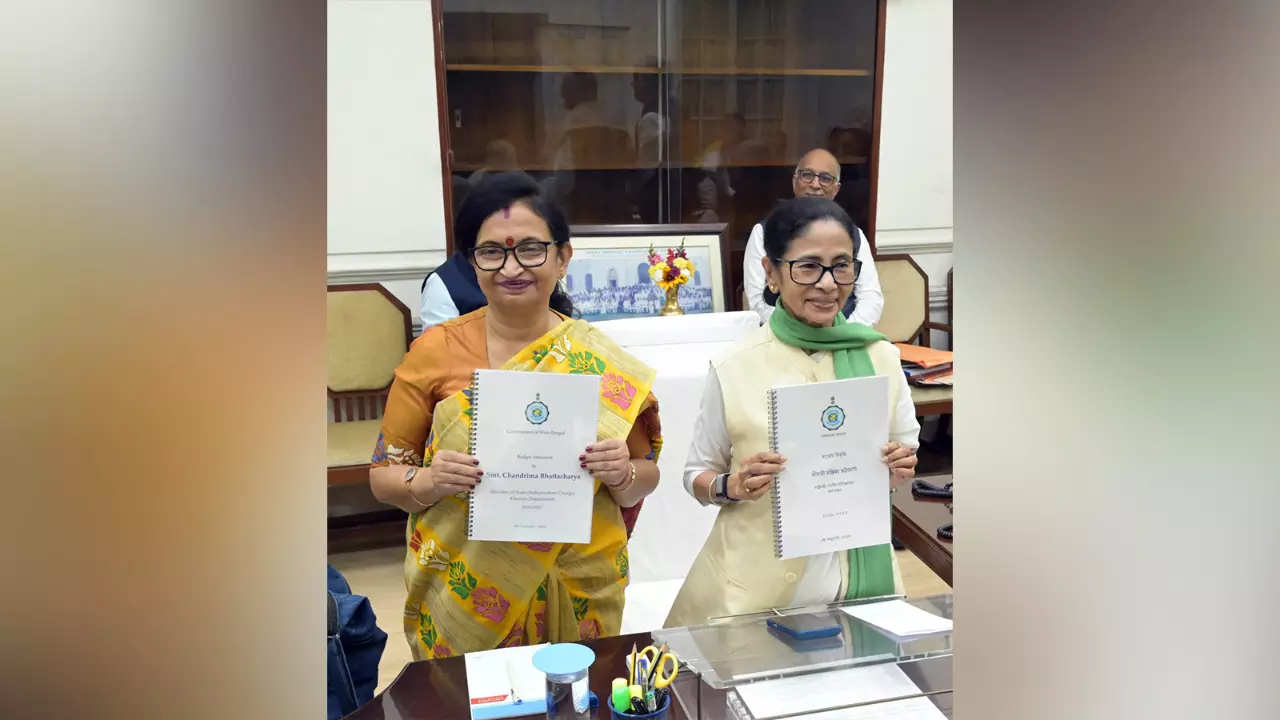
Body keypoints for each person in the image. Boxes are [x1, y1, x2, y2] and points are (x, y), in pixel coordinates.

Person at [371, 173, 664, 658]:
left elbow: (643, 477)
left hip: (579, 585)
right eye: (492, 252)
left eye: (530, 249)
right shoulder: (435, 352)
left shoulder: (600, 359)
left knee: (577, 691)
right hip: (466, 595)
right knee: (472, 695)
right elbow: (383, 477)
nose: (512, 267)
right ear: (472, 262)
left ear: (563, 257)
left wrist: (622, 473)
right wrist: (429, 481)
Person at [664, 197, 919, 628]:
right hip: (753, 590)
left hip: (858, 581)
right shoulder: (735, 365)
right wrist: (733, 485)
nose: (828, 284)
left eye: (841, 266)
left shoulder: (881, 358)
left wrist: (897, 466)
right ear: (771, 273)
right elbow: (696, 475)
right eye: (808, 266)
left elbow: (904, 452)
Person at [742, 148, 883, 327]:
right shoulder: (763, 232)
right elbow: (758, 302)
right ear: (795, 181)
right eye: (807, 175)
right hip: (784, 335)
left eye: (825, 178)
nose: (815, 184)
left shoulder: (853, 234)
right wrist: (803, 335)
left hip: (845, 335)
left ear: (836, 189)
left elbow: (871, 298)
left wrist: (838, 335)